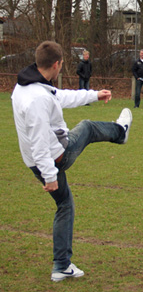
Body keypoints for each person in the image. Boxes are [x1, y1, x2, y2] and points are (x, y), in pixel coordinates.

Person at [11, 41, 133, 282]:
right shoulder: (36, 99)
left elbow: (61, 97)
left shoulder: (28, 86)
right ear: (57, 64)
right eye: (62, 64)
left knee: (65, 206)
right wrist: (50, 176)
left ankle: (61, 266)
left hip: (38, 160)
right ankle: (121, 132)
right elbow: (37, 141)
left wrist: (94, 95)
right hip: (54, 157)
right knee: (87, 127)